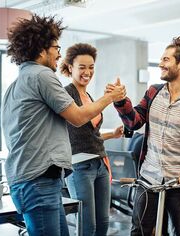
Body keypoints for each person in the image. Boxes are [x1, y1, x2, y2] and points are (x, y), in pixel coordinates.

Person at [1, 15, 125, 236]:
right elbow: (77, 118)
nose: (59, 53)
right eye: (56, 47)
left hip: (33, 179)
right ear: (41, 50)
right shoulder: (42, 75)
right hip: (37, 179)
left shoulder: (17, 83)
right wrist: (110, 98)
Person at [107, 35, 180, 236]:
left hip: (179, 183)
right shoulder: (153, 92)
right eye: (161, 59)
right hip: (148, 180)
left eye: (165, 60)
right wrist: (120, 101)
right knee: (139, 232)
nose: (160, 64)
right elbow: (134, 122)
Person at [59, 43, 124, 236]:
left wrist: (112, 134)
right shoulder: (66, 94)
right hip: (79, 167)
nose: (87, 72)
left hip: (100, 165)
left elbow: (88, 135)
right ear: (70, 67)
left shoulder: (88, 96)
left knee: (103, 223)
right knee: (88, 225)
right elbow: (78, 122)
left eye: (91, 67)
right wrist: (109, 98)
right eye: (82, 67)